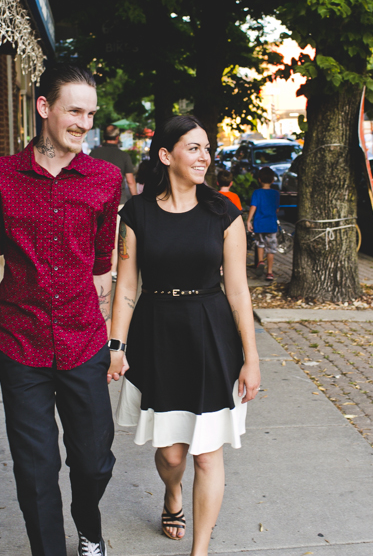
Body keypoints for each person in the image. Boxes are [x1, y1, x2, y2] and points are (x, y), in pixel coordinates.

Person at [0, 63, 120, 556]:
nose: (84, 122)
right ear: (44, 109)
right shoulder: (0, 177)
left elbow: (103, 269)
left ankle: (88, 527)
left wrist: (115, 339)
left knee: (94, 461)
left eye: (90, 113)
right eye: (75, 111)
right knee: (35, 470)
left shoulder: (105, 179)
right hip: (21, 342)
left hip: (84, 342)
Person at [108, 115, 262, 556]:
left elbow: (237, 290)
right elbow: (127, 287)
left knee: (207, 452)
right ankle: (172, 493)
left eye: (207, 148)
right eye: (193, 147)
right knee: (172, 454)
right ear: (166, 155)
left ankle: (201, 549)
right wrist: (116, 346)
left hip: (211, 333)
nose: (204, 157)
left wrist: (251, 357)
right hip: (157, 333)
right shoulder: (136, 212)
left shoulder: (224, 212)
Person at [90, 124, 138, 277]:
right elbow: (130, 181)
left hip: (95, 201)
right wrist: (136, 200)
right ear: (117, 138)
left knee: (94, 234)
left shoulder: (94, 153)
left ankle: (94, 267)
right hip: (118, 201)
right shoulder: (123, 156)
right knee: (115, 236)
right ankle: (113, 270)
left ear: (104, 136)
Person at [247, 167, 279, 282]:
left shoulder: (257, 193)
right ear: (272, 180)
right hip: (271, 224)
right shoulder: (275, 193)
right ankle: (269, 272)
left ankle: (260, 260)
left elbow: (253, 206)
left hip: (259, 224)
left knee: (260, 243)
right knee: (271, 249)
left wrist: (248, 220)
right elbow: (276, 209)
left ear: (259, 180)